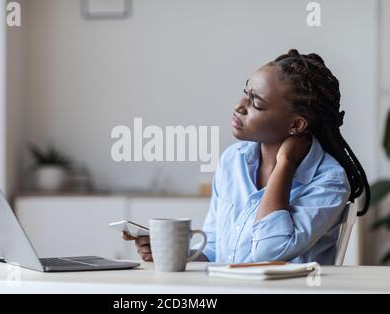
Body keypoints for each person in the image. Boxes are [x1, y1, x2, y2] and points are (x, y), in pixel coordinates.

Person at [122, 49, 370, 265]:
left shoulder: (330, 181)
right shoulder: (233, 160)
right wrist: (174, 252)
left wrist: (285, 164)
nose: (239, 106)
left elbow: (269, 251)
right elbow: (216, 249)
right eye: (246, 92)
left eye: (256, 103)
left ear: (296, 124)